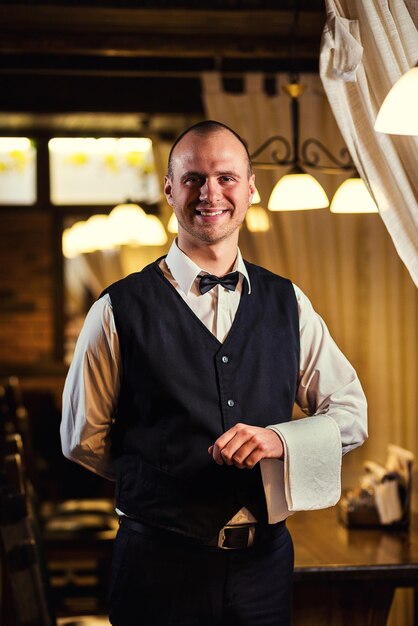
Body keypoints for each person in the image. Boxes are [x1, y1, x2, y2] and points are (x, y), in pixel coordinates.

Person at [61, 120, 368, 626]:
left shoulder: (288, 303)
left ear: (250, 190)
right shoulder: (116, 309)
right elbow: (81, 439)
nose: (211, 193)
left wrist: (279, 441)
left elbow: (351, 413)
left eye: (226, 178)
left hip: (264, 567)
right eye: (193, 179)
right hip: (157, 567)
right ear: (169, 190)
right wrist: (162, 479)